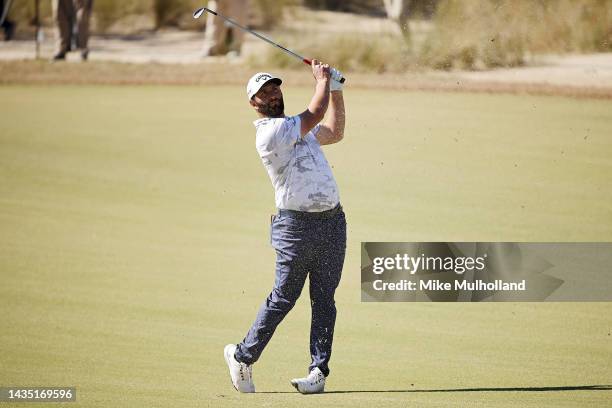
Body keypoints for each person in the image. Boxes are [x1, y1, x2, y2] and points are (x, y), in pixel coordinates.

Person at [223, 61, 346, 394]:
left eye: (275, 87)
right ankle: (241, 355)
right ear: (254, 103)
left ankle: (318, 371)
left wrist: (335, 88)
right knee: (284, 298)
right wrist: (321, 80)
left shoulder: (299, 129)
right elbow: (316, 113)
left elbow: (334, 130)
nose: (272, 93)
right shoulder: (271, 132)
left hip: (332, 222)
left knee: (325, 299)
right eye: (264, 92)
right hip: (295, 227)